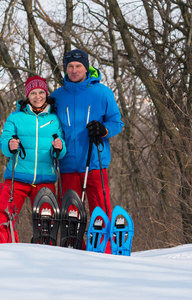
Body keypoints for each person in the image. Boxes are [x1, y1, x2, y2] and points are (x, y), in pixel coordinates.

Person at [51, 49, 124, 223]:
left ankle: (105, 247)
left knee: (101, 211)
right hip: (67, 164)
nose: (74, 70)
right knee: (71, 216)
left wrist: (103, 129)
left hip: (95, 162)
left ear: (86, 67)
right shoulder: (57, 96)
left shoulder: (102, 92)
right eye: (70, 66)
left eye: (78, 66)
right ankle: (74, 248)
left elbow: (117, 122)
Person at [0, 75, 66, 215]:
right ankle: (9, 238)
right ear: (27, 95)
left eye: (41, 92)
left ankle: (42, 238)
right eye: (33, 93)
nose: (38, 97)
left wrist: (59, 147)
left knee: (46, 224)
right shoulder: (15, 117)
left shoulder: (54, 119)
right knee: (6, 217)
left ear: (46, 94)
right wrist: (9, 144)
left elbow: (60, 149)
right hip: (16, 178)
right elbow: (5, 141)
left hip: (45, 179)